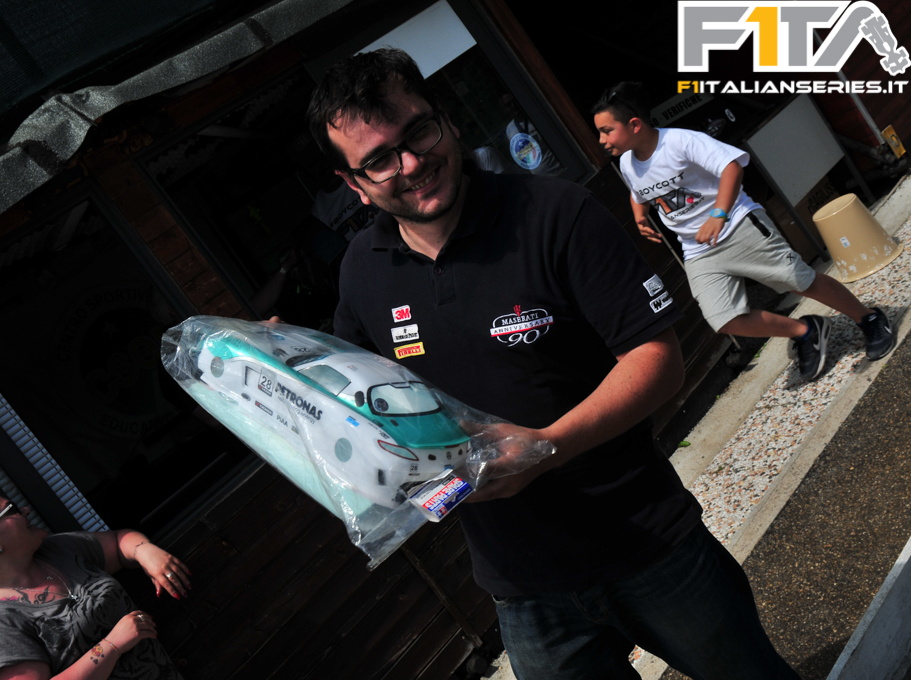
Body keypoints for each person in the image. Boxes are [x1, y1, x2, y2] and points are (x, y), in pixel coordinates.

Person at [307, 48, 799, 679]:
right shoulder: (363, 269)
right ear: (354, 184)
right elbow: (352, 398)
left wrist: (547, 445)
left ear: (447, 120)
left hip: (648, 543)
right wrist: (283, 363)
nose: (410, 164)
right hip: (519, 586)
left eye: (418, 132)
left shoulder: (553, 213)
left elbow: (658, 358)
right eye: (378, 160)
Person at [593, 81, 895, 381]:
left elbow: (731, 166)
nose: (601, 140)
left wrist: (718, 214)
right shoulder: (628, 163)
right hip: (697, 250)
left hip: (737, 225)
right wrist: (640, 215)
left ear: (635, 125)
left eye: (607, 130)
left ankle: (869, 318)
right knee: (723, 318)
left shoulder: (680, 141)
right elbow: (638, 192)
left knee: (799, 280)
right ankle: (806, 331)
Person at [0, 489, 191, 680]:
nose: (25, 510)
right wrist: (112, 645)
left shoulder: (57, 551)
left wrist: (144, 551)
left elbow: (118, 540)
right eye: (11, 510)